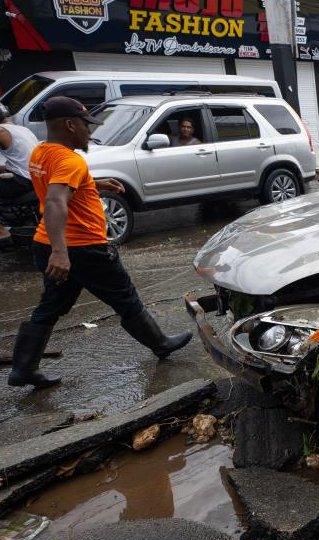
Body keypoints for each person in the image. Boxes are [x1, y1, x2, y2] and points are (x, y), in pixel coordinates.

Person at [8, 96, 192, 389]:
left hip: (49, 243)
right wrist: (61, 252)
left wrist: (95, 184)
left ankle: (23, 369)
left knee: (50, 307)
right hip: (82, 248)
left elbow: (59, 186)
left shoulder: (42, 153)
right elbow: (55, 201)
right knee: (125, 298)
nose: (89, 131)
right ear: (69, 124)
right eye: (85, 125)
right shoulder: (70, 159)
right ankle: (161, 343)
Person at [0, 103, 39, 241]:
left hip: (22, 181)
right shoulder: (23, 129)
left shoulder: (1, 131)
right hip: (36, 177)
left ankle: (2, 232)